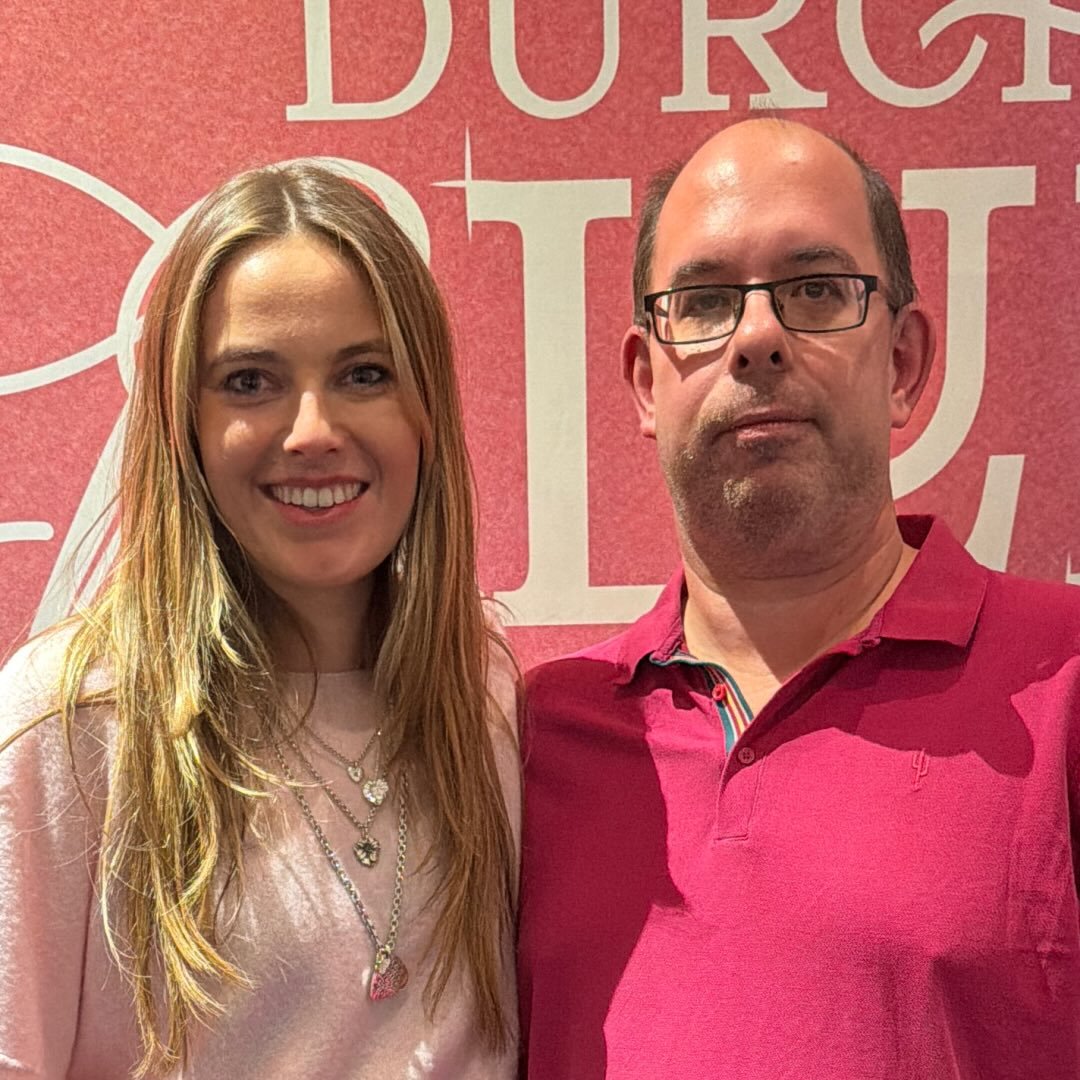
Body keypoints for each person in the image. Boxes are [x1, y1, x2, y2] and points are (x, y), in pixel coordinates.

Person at [518, 118, 1080, 1079]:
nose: (758, 338)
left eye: (816, 290)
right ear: (646, 382)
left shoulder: (1064, 679)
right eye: (703, 301)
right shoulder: (533, 739)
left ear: (902, 362)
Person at [0, 162, 520, 1078]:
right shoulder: (72, 723)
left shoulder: (486, 689)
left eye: (364, 374)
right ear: (184, 424)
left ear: (427, 411)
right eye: (250, 381)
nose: (312, 429)